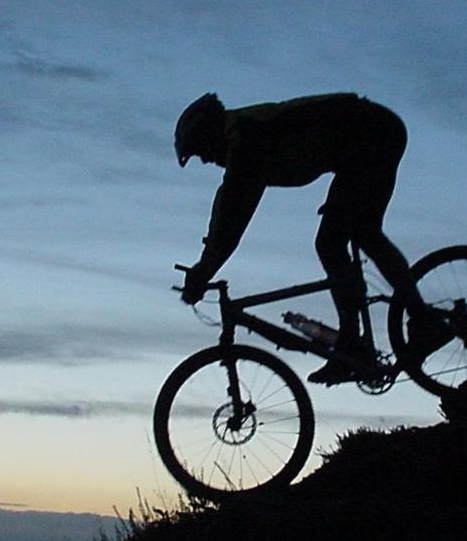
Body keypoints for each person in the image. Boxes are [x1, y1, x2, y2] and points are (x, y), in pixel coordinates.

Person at [174, 92, 450, 385]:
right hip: (361, 143)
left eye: (200, 150)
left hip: (373, 133)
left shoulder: (247, 138)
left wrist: (205, 269)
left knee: (341, 239)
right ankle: (371, 336)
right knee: (349, 235)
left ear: (211, 133)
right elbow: (228, 205)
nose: (204, 160)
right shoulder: (242, 137)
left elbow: (233, 212)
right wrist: (206, 264)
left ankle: (412, 324)